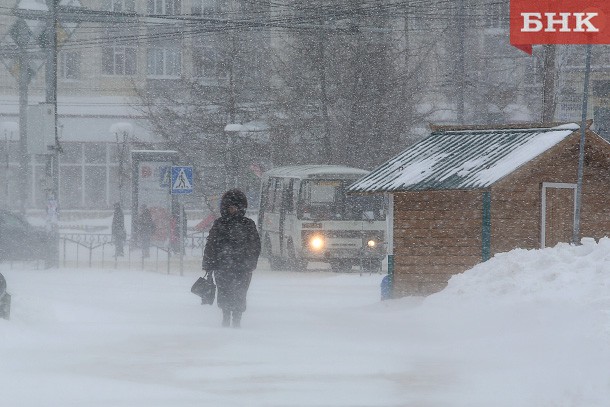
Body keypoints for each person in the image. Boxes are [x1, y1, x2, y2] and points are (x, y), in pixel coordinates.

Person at [202, 189, 261, 328]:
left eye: (235, 207)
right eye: (230, 207)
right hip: (223, 267)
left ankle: (237, 319)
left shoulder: (248, 224)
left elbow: (255, 246)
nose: (232, 209)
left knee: (240, 293)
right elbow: (211, 244)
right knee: (224, 292)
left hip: (241, 267)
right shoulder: (219, 224)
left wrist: (249, 262)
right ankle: (226, 316)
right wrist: (208, 263)